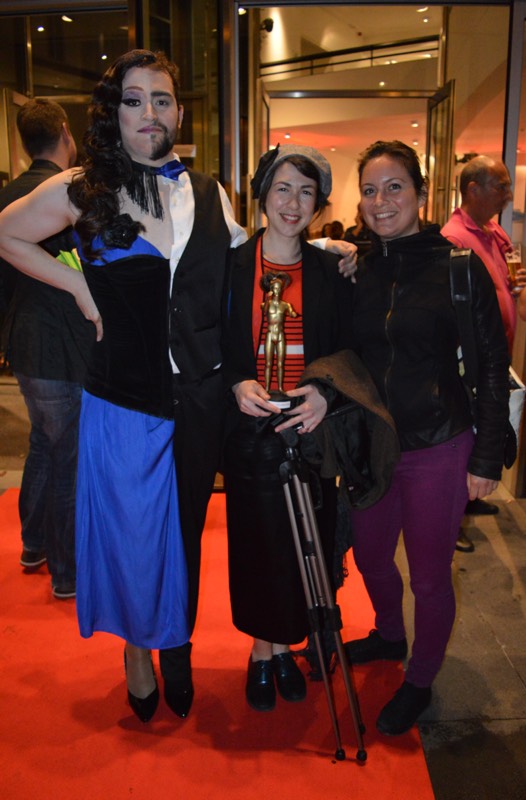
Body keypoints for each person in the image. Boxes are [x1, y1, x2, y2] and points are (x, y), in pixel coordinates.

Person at [0, 52, 358, 724]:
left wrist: (326, 251)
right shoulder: (84, 187)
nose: (149, 113)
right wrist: (77, 286)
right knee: (133, 537)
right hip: (121, 398)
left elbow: (252, 254)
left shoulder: (206, 190)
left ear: (178, 112)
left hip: (198, 398)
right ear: (113, 112)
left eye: (161, 100)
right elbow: (7, 234)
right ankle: (138, 651)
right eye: (134, 100)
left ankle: (177, 644)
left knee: (186, 531)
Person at [345, 140, 509, 736]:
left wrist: (487, 455)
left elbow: (492, 365)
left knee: (430, 575)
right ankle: (390, 634)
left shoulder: (457, 267)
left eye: (394, 187)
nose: (381, 201)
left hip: (439, 443)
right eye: (370, 190)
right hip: (373, 444)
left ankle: (419, 678)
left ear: (420, 193)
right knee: (369, 555)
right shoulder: (358, 269)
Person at [222, 144, 353, 712]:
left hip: (311, 427)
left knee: (307, 542)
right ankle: (263, 650)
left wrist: (326, 392)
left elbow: (349, 348)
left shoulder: (331, 271)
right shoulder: (231, 266)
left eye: (306, 192)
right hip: (251, 427)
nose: (293, 203)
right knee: (258, 544)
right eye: (283, 189)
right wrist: (235, 382)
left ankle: (287, 646)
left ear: (318, 205)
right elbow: (209, 339)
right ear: (262, 195)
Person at [0, 98, 94, 599]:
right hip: (62, 347)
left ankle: (34, 544)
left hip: (24, 343)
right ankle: (67, 571)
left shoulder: (8, 195)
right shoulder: (70, 195)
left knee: (44, 442)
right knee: (67, 456)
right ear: (64, 131)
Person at [441, 156, 526, 549]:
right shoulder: (455, 237)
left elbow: (503, 284)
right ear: (473, 190)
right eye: (501, 186)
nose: (508, 194)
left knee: (482, 432)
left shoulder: (494, 232)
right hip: (471, 361)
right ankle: (452, 520)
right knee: (465, 434)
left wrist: (517, 284)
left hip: (495, 352)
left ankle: (470, 500)